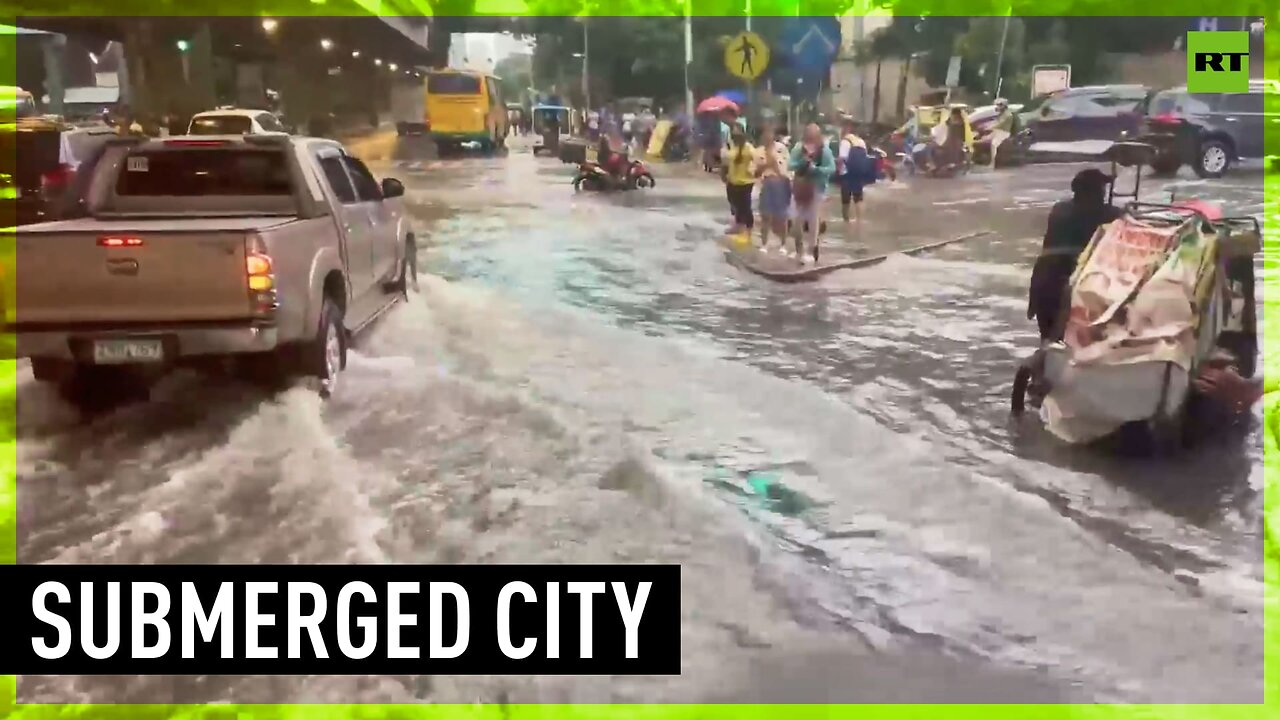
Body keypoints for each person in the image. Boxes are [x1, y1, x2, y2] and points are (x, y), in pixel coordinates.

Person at [1027, 168, 1123, 341]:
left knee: (1049, 341)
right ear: (1095, 192)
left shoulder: (1059, 209)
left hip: (1044, 279)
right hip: (1075, 282)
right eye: (1101, 189)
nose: (1104, 193)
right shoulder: (1111, 215)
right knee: (1073, 341)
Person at [788, 123, 837, 264]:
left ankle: (812, 248)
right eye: (808, 136)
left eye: (813, 136)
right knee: (797, 220)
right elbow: (790, 164)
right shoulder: (799, 148)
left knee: (813, 219)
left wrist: (817, 169)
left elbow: (831, 168)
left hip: (817, 187)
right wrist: (802, 162)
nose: (811, 139)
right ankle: (799, 250)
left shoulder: (824, 150)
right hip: (800, 187)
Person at [754, 124, 791, 252]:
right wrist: (765, 165)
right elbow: (754, 173)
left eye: (770, 133)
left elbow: (787, 167)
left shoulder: (781, 149)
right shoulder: (758, 151)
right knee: (766, 215)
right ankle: (764, 244)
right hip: (767, 183)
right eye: (765, 134)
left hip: (781, 182)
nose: (767, 136)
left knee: (782, 216)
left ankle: (783, 244)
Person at [835, 116, 872, 223]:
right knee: (858, 197)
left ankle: (846, 221)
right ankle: (859, 221)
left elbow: (841, 158)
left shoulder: (845, 141)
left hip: (847, 173)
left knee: (845, 199)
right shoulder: (861, 141)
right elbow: (865, 158)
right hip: (859, 173)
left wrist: (837, 172)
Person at [722, 125, 756, 235]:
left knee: (745, 205)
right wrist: (724, 173)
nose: (735, 135)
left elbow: (757, 160)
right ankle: (738, 225)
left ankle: (749, 228)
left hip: (745, 182)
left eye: (737, 132)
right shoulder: (732, 147)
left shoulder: (748, 147)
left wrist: (753, 170)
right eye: (733, 132)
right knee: (734, 204)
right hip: (733, 180)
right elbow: (726, 161)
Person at [988, 98, 1014, 167]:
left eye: (999, 105)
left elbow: (1000, 124)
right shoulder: (1001, 114)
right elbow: (996, 122)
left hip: (1004, 132)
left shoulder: (1008, 115)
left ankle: (992, 163)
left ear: (1004, 106)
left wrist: (990, 127)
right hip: (999, 131)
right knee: (984, 139)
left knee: (993, 144)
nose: (997, 107)